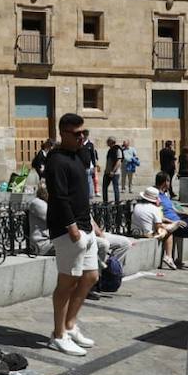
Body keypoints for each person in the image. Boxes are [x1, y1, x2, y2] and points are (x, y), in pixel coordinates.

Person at [44, 113, 104, 356]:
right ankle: (58, 335)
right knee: (66, 283)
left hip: (84, 227)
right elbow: (59, 197)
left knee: (91, 277)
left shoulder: (79, 155)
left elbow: (81, 194)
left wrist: (91, 223)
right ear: (63, 134)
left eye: (84, 133)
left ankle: (70, 325)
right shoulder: (56, 160)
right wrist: (73, 229)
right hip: (68, 231)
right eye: (77, 134)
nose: (82, 138)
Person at [26, 183, 54, 255]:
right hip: (42, 244)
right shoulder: (37, 203)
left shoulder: (47, 203)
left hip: (51, 241)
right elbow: (54, 218)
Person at [102, 137, 122, 204]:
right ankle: (105, 202)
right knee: (104, 187)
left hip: (115, 173)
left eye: (108, 141)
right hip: (107, 172)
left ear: (111, 142)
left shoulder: (118, 149)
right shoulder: (110, 150)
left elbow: (119, 161)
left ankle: (117, 203)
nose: (107, 142)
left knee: (115, 188)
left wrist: (113, 171)